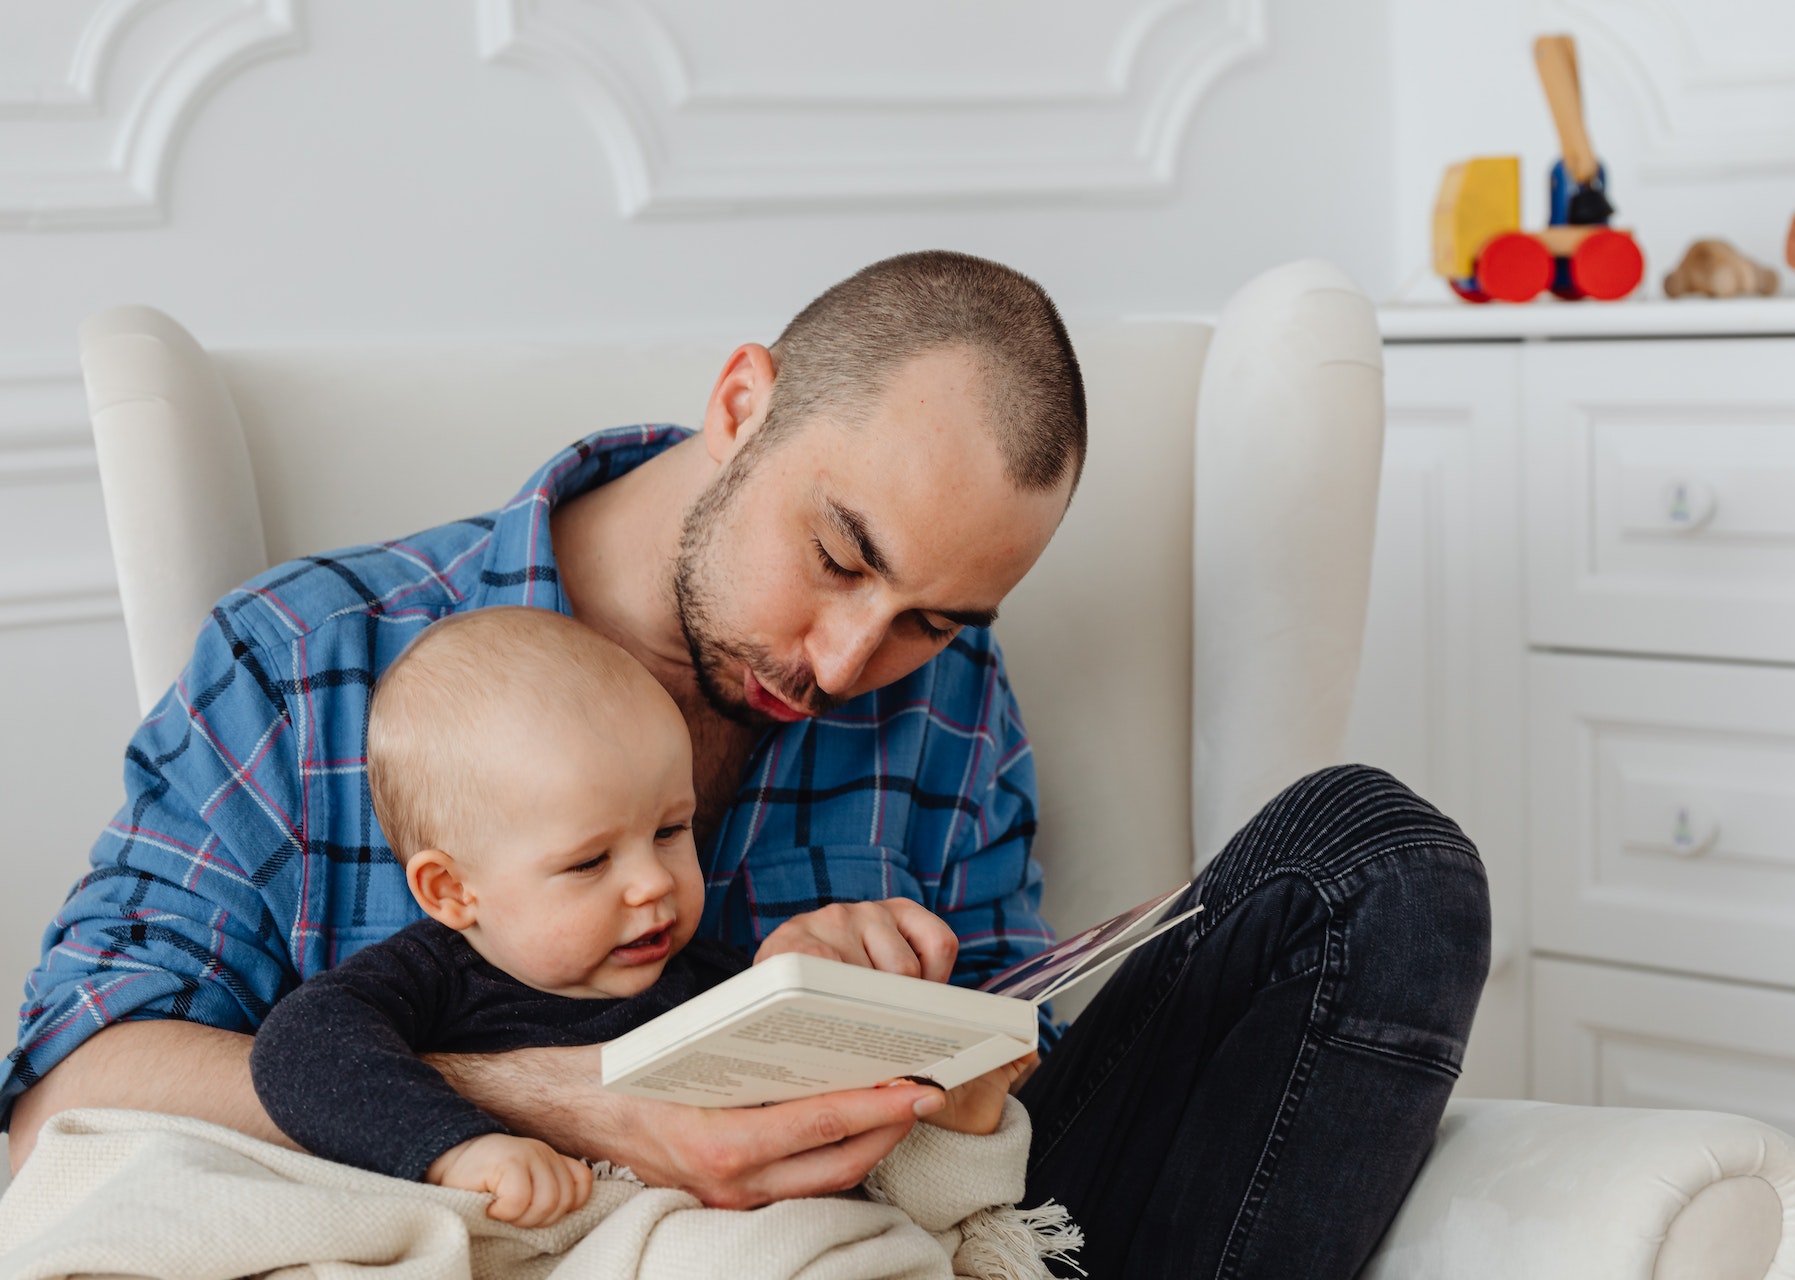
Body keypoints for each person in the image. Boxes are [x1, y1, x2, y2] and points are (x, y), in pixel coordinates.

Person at [7, 250, 1490, 1277]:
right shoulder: (309, 658)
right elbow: (68, 1099)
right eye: (841, 556)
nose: (846, 665)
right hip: (523, 1243)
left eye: (929, 617)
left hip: (885, 1236)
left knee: (1375, 860)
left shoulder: (948, 695)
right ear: (739, 404)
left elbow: (998, 1107)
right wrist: (572, 1098)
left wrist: (933, 1024)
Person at [250, 606, 1037, 1239]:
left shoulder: (719, 985)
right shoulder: (431, 978)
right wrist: (460, 1148)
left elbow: (865, 1178)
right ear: (452, 889)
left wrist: (957, 1114)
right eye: (590, 862)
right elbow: (298, 1048)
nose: (653, 883)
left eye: (670, 831)